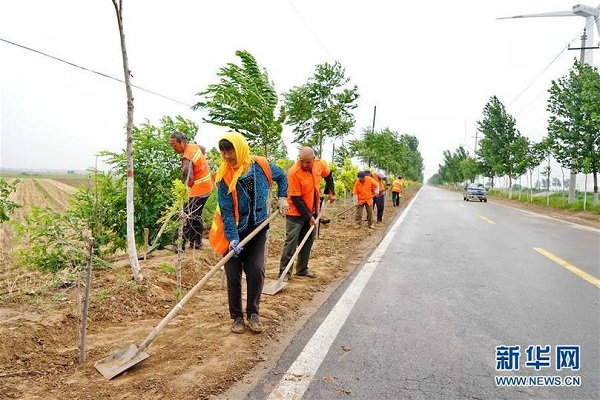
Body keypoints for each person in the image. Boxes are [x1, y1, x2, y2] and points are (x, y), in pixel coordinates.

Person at [214, 132, 288, 334]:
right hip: (233, 231)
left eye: (230, 150)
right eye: (224, 152)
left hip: (259, 227)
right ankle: (237, 317)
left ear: (240, 148)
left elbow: (282, 176)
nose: (228, 156)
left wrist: (282, 197)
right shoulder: (223, 176)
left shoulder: (261, 166)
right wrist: (233, 239)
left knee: (256, 270)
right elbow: (227, 211)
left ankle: (253, 313)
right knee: (233, 274)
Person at [279, 147, 335, 280]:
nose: (305, 165)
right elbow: (296, 198)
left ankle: (302, 269)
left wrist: (331, 192)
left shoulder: (319, 164)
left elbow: (329, 176)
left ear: (313, 159)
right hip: (295, 212)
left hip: (313, 209)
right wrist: (308, 217)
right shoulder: (294, 172)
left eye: (308, 162)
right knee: (291, 242)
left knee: (308, 241)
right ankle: (284, 273)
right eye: (302, 161)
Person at [169, 131, 213, 250]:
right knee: (196, 215)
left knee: (188, 215)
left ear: (182, 142)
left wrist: (185, 191)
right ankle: (197, 243)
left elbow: (189, 177)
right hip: (207, 186)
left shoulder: (186, 158)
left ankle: (178, 244)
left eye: (174, 145)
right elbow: (203, 149)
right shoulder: (193, 147)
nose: (172, 148)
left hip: (199, 189)